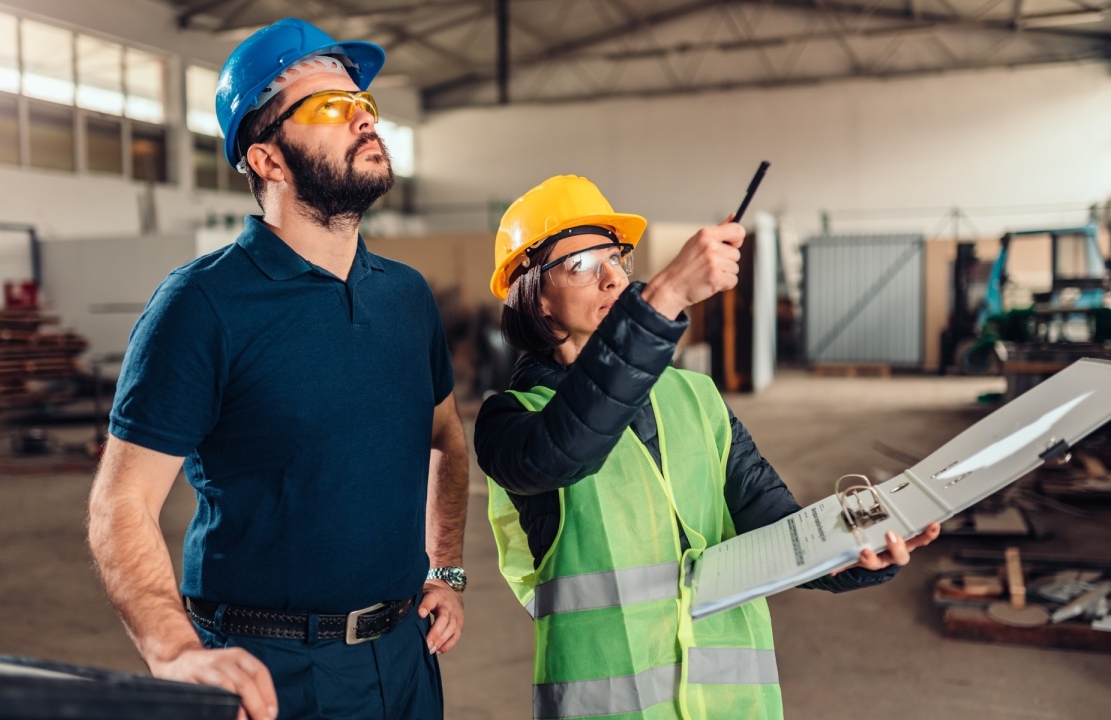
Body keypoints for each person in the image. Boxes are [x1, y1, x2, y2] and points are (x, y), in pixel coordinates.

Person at [87, 19, 469, 720]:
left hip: (408, 658)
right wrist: (172, 650)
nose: (361, 114)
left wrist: (445, 569)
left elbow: (447, 438)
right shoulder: (202, 305)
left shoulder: (407, 297)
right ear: (267, 160)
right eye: (330, 106)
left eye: (365, 105)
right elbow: (121, 503)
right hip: (273, 673)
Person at [476, 175, 940, 720]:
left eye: (615, 259)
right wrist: (662, 297)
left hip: (729, 705)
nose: (610, 279)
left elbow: (775, 527)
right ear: (537, 300)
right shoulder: (511, 421)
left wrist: (853, 555)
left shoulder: (695, 396)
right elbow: (568, 447)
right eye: (579, 265)